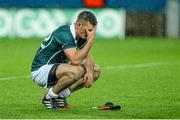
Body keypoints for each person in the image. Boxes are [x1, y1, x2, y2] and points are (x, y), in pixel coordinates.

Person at [31, 10, 101, 109]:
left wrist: (89, 72)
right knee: (77, 71)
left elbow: (87, 56)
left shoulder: (80, 35)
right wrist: (90, 42)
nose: (89, 34)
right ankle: (49, 97)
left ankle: (61, 96)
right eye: (88, 30)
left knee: (96, 70)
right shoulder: (64, 33)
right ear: (79, 25)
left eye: (92, 31)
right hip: (41, 70)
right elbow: (75, 60)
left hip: (57, 69)